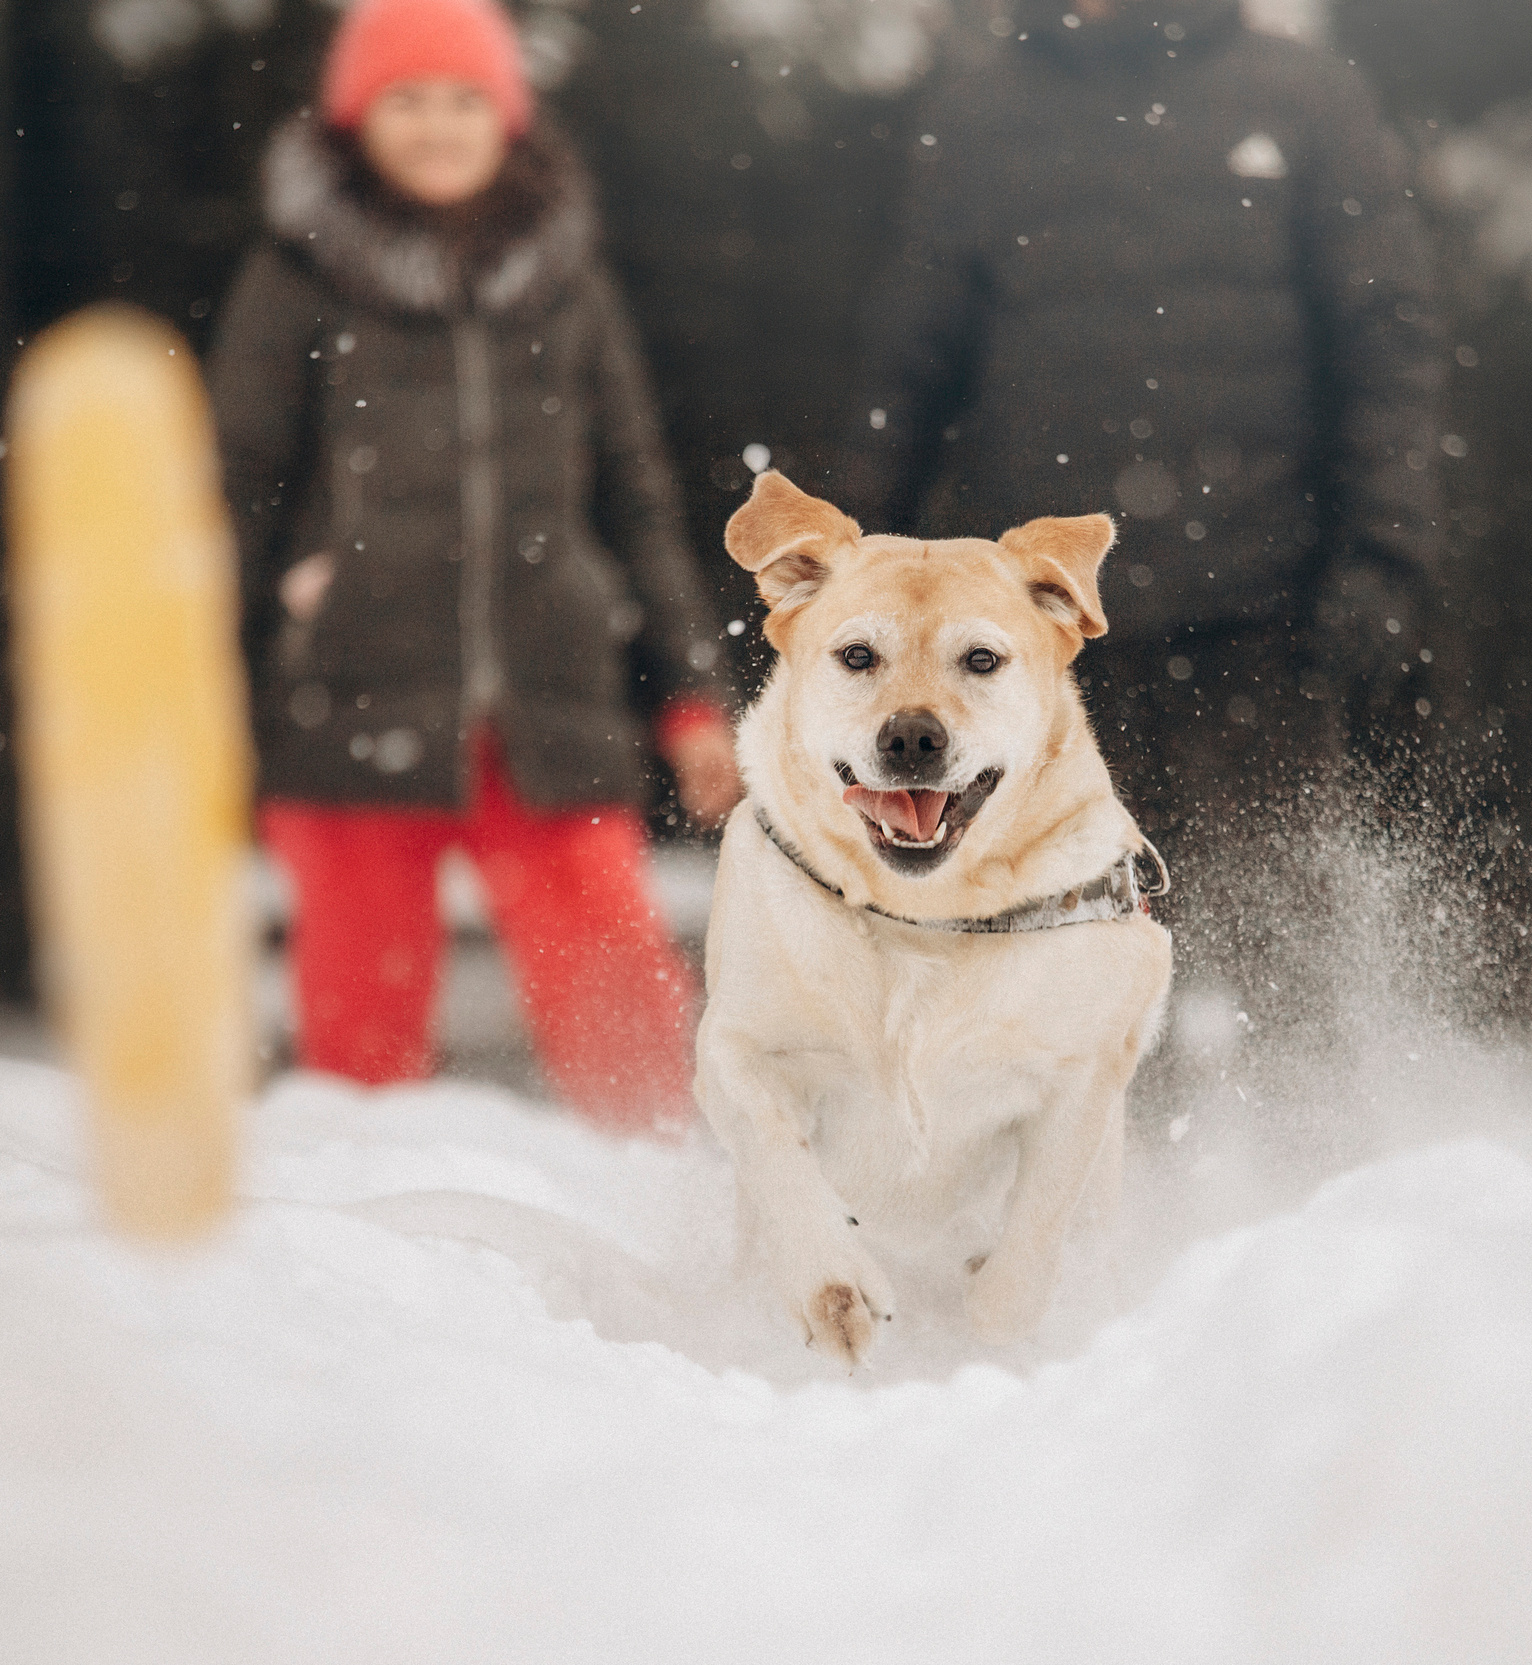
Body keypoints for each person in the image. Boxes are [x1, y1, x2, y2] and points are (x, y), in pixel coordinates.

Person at [835, 0, 1444, 1064]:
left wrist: (1387, 555)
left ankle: (1326, 1159)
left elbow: (1386, 340)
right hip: (1051, 632)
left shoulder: (1303, 94)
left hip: (1265, 610)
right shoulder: (984, 110)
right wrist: (850, 578)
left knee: (1290, 956)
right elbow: (908, 363)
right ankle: (1094, 1163)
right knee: (1065, 956)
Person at [208, 0, 740, 1132]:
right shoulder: (295, 279)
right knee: (356, 1062)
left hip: (551, 704)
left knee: (638, 1047)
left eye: (464, 99)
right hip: (349, 701)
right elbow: (234, 492)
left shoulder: (568, 284)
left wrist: (691, 695)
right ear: (356, 120)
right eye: (406, 99)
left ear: (507, 116)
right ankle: (356, 1226)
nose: (439, 125)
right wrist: (204, 686)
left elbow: (637, 501)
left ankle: (672, 1197)